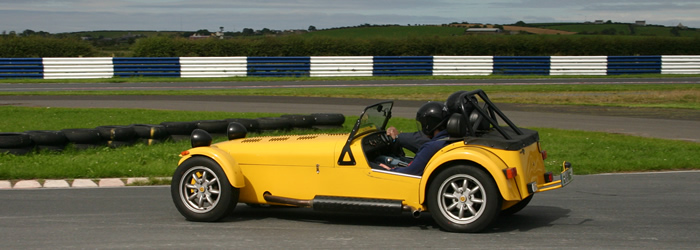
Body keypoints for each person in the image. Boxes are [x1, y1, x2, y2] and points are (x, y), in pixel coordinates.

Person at [379, 101, 451, 176]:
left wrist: (390, 170)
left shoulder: (431, 147)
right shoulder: (449, 140)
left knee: (378, 161)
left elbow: (410, 172)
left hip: (410, 176)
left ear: (429, 124)